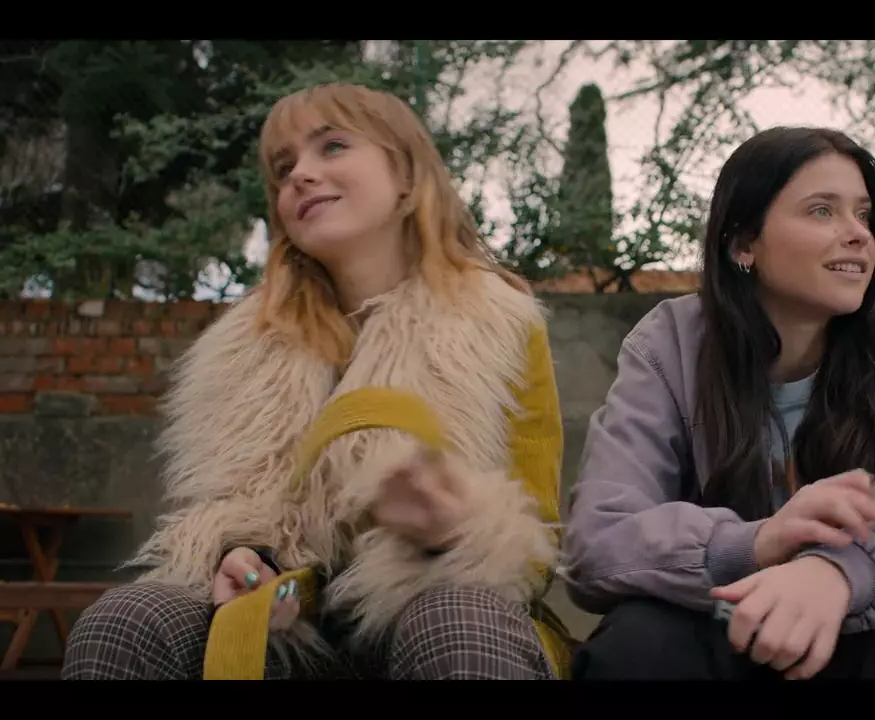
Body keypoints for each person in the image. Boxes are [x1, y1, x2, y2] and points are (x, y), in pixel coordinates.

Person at [62, 82, 571, 680]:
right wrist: (244, 559)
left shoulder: (497, 319)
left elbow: (535, 544)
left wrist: (450, 530)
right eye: (283, 169)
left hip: (427, 609)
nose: (301, 175)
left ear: (407, 176)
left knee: (458, 620)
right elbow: (228, 511)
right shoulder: (240, 347)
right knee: (124, 622)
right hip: (286, 627)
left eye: (332, 146)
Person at [561, 126, 875, 681]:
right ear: (743, 244)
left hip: (855, 617)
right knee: (637, 647)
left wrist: (834, 572)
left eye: (863, 214)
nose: (857, 234)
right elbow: (601, 537)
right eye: (821, 211)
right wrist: (756, 542)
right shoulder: (670, 343)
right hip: (709, 615)